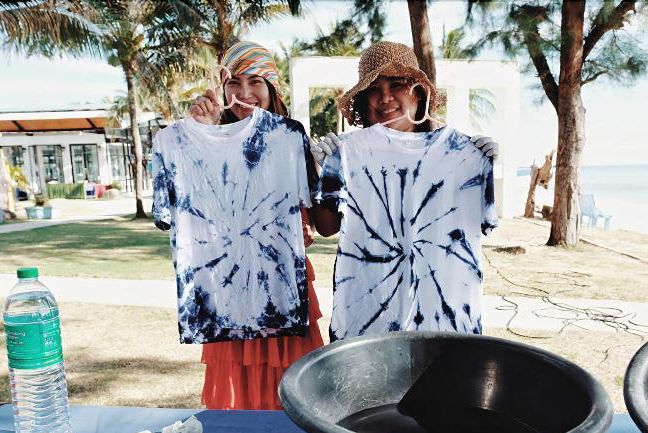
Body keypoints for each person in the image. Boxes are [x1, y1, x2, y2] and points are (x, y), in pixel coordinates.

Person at [308, 41, 498, 341]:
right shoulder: (348, 154)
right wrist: (320, 170)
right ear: (362, 101)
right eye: (373, 89)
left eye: (397, 85)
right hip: (366, 322)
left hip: (443, 324)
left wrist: (479, 166)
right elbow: (327, 227)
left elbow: (481, 223)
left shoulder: (462, 156)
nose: (385, 97)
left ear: (418, 93)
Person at [180, 41, 324, 410]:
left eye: (256, 81)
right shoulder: (204, 138)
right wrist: (200, 136)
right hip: (231, 287)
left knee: (296, 396)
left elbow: (321, 222)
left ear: (272, 87)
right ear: (223, 88)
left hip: (283, 288)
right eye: (235, 82)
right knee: (237, 406)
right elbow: (183, 217)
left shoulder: (292, 139)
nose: (245, 94)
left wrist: (326, 173)